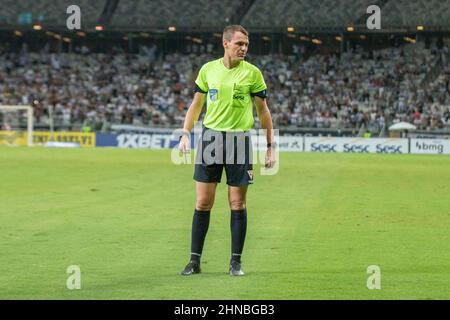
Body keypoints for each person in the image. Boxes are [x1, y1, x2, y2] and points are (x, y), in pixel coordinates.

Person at [178, 25, 276, 276]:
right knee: (202, 202)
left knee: (237, 203)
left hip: (239, 140)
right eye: (239, 44)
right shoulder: (208, 70)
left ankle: (235, 262)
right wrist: (185, 135)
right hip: (210, 139)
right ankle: (194, 261)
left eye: (246, 44)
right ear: (226, 43)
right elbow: (196, 105)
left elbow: (263, 111)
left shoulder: (253, 74)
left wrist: (270, 146)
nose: (243, 48)